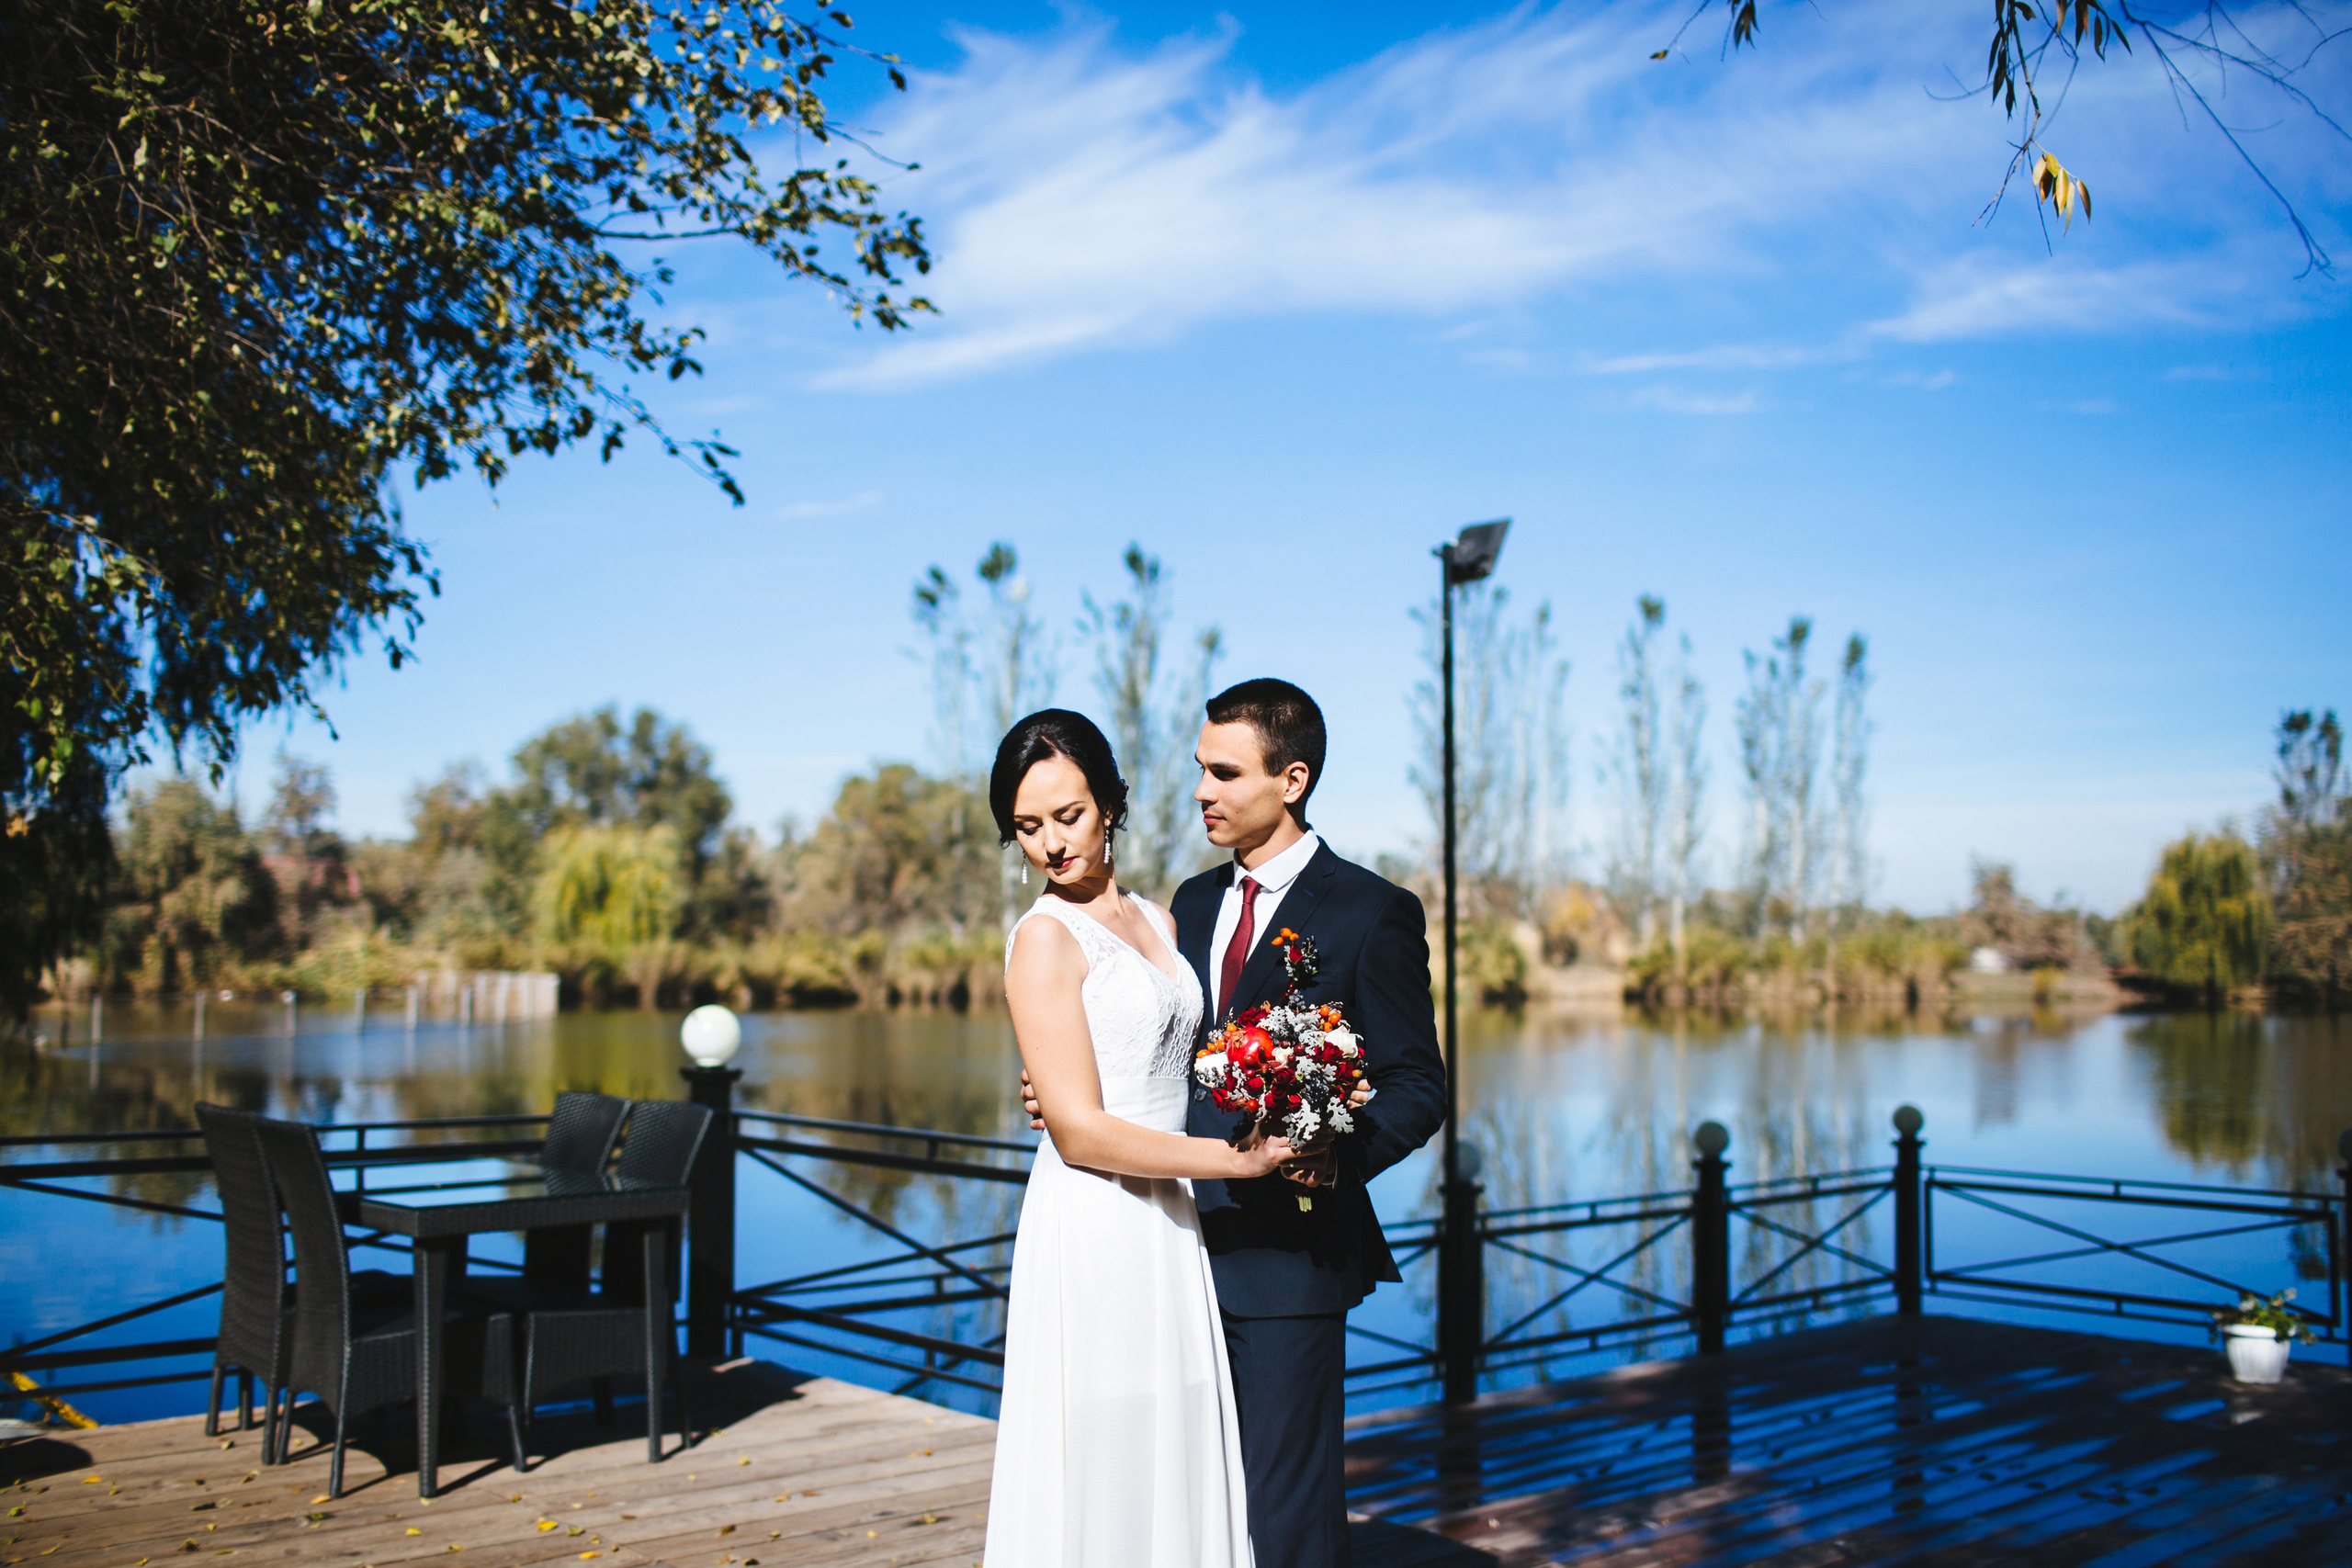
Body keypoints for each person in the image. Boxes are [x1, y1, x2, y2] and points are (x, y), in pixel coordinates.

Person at [1025, 678, 1448, 1568]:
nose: (1200, 793)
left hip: (1284, 1261)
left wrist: (1335, 1158)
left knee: (1285, 1519)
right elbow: (1163, 1046)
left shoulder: (1370, 912)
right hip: (1158, 1249)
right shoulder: (1188, 901)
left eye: (1223, 773)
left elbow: (1416, 1084)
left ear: (1290, 780)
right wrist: (1067, 1095)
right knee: (1179, 1506)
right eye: (1196, 771)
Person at [983, 707, 1290, 1568]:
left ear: (1110, 803)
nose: (1052, 843)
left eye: (1069, 815)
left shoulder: (1160, 918)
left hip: (1170, 1215)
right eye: (1029, 827)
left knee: (1178, 1426)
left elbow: (1181, 1056)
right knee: (1110, 1440)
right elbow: (1080, 1133)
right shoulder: (1043, 940)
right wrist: (1240, 1160)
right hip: (1099, 1217)